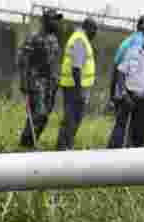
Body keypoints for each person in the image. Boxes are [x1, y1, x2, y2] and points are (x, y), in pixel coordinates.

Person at [17, 8, 63, 148]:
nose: (56, 23)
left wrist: (56, 81)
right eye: (54, 19)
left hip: (50, 85)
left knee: (45, 116)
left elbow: (54, 61)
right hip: (37, 82)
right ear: (45, 21)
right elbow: (22, 59)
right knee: (38, 113)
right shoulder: (34, 38)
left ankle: (31, 142)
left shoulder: (54, 39)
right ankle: (25, 143)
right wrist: (24, 82)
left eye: (57, 20)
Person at [56, 17, 98, 150]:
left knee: (72, 118)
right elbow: (76, 68)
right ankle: (64, 147)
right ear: (88, 28)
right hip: (75, 87)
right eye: (94, 30)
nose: (95, 34)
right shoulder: (80, 40)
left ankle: (66, 145)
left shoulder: (80, 38)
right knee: (72, 118)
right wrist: (79, 90)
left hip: (74, 85)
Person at [110, 14, 144, 108]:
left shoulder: (128, 40)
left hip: (123, 86)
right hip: (135, 88)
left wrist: (112, 93)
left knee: (121, 118)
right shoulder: (142, 42)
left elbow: (116, 65)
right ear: (142, 26)